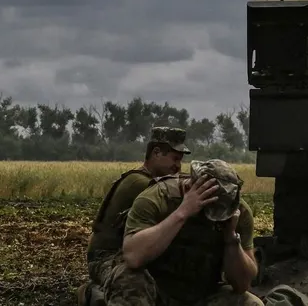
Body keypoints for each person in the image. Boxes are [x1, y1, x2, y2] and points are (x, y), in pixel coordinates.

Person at [106, 158, 263, 305]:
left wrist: (231, 239)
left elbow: (242, 284)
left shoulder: (237, 212)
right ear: (189, 187)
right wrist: (183, 212)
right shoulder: (158, 199)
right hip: (155, 289)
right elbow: (133, 257)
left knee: (251, 303)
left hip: (201, 292)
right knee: (129, 280)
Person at [80, 126, 190, 304]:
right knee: (134, 281)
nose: (178, 166)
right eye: (175, 159)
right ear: (156, 153)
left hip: (126, 251)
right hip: (106, 257)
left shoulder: (149, 181)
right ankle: (93, 294)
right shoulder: (142, 185)